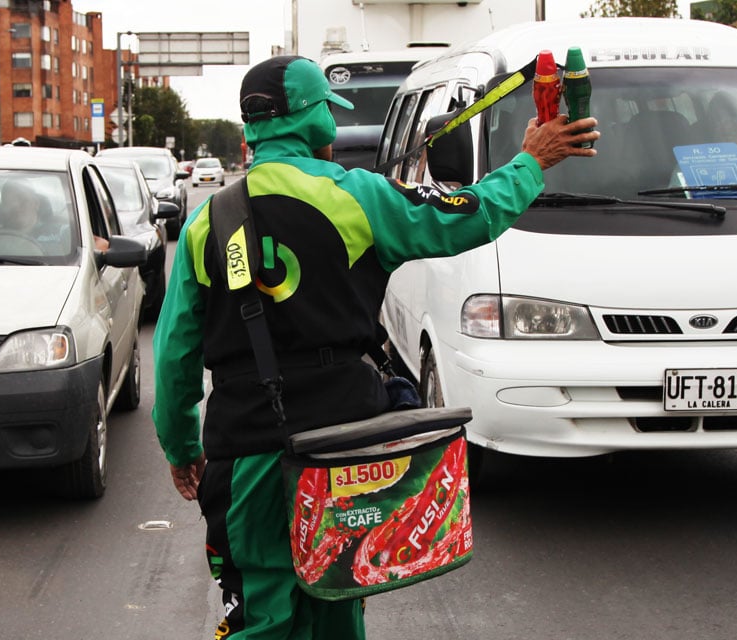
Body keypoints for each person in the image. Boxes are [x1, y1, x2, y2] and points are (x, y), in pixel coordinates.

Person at [151, 55, 598, 639]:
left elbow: (173, 358)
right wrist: (533, 161)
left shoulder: (206, 224)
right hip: (345, 454)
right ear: (315, 123)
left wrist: (182, 448)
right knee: (339, 603)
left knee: (261, 617)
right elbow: (470, 217)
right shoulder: (358, 197)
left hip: (247, 461)